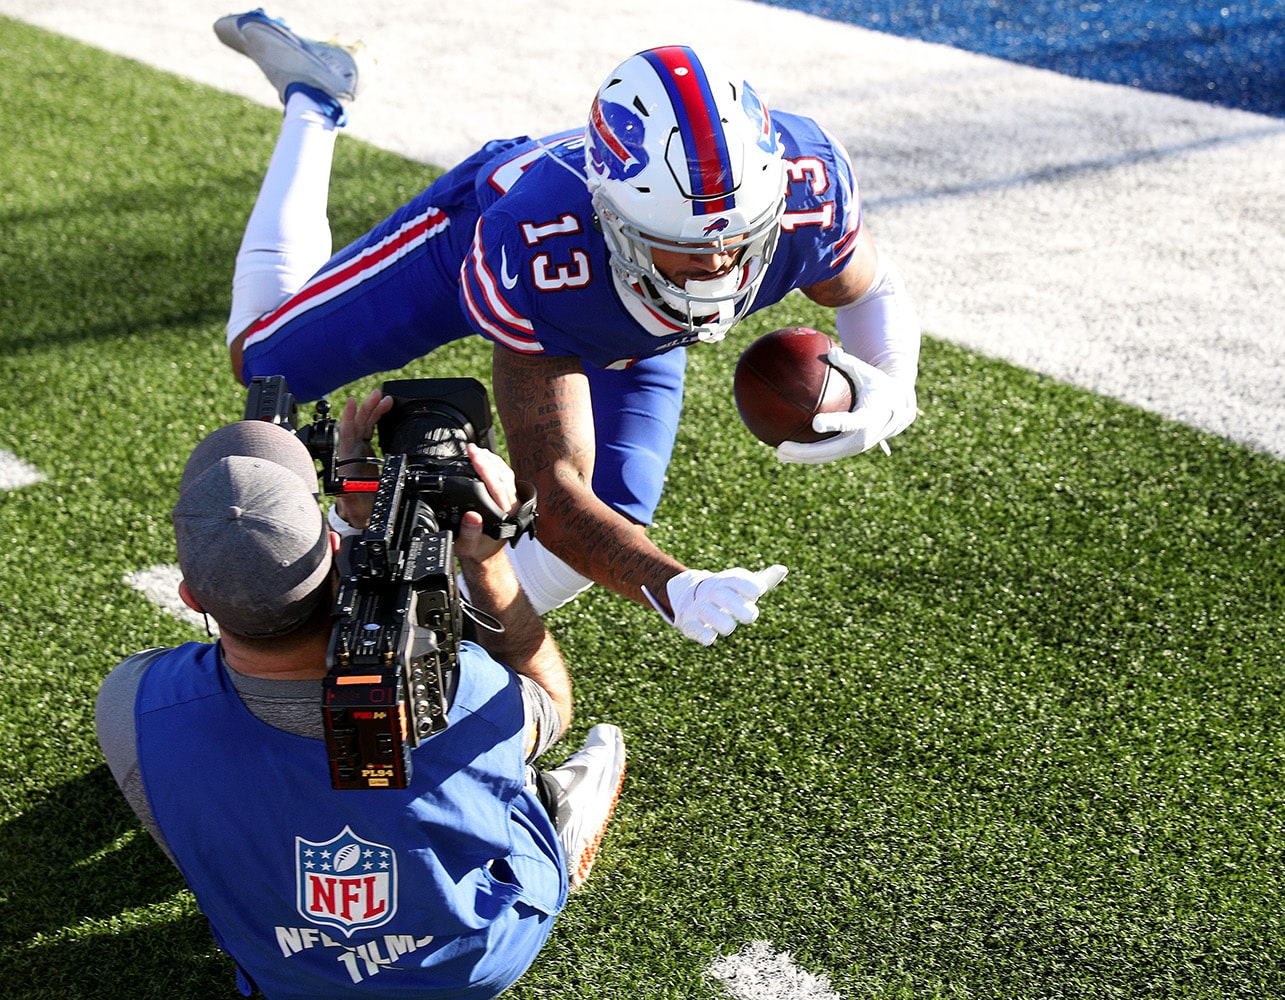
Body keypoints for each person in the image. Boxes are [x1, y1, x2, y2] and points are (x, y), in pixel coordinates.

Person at [212, 10, 922, 645]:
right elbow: (551, 490)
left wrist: (891, 385)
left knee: (617, 506)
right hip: (474, 245)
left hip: (630, 311)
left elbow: (870, 289)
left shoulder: (806, 192)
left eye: (737, 237)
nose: (717, 266)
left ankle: (443, 623)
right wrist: (673, 584)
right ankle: (316, 97)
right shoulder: (536, 245)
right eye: (686, 243)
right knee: (266, 363)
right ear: (614, 214)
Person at [94, 403, 627, 999]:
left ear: (192, 597)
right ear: (330, 545)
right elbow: (550, 698)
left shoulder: (133, 704)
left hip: (286, 978)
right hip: (473, 967)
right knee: (508, 758)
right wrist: (490, 559)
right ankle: (550, 810)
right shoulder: (461, 691)